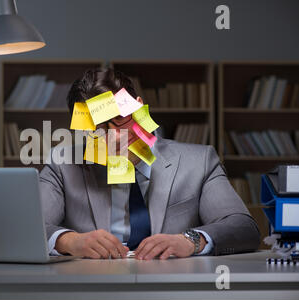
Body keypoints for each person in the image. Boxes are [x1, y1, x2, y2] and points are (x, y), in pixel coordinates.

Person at [39, 67, 260, 260]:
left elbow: (243, 227)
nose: (115, 138)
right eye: (98, 130)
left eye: (120, 120)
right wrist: (67, 241)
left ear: (139, 108)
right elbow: (23, 228)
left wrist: (191, 240)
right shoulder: (63, 166)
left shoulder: (199, 162)